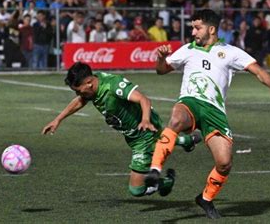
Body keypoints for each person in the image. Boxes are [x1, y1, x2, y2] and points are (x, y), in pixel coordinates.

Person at [144, 9, 270, 219]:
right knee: (176, 119)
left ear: (211, 29)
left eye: (197, 27)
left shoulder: (231, 52)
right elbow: (161, 70)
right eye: (192, 27)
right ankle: (155, 170)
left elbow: (258, 71)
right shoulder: (187, 49)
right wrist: (161, 59)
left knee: (224, 163)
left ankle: (205, 198)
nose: (193, 32)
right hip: (191, 102)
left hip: (215, 111)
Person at [42, 62, 201, 198]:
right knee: (159, 140)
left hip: (142, 133)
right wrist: (58, 119)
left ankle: (166, 182)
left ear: (89, 82)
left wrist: (145, 120)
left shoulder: (113, 85)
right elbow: (80, 100)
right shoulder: (92, 87)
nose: (78, 94)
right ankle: (186, 140)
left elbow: (143, 99)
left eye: (78, 90)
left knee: (136, 189)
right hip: (133, 135)